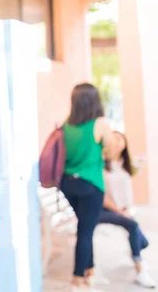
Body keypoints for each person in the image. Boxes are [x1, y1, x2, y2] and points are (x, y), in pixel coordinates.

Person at [60, 83, 118, 291]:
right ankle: (77, 277)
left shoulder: (67, 124)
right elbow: (112, 153)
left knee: (86, 227)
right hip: (90, 184)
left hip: (68, 184)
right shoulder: (100, 123)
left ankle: (89, 269)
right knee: (85, 230)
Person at [100, 131, 156, 288]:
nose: (118, 143)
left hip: (124, 209)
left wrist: (127, 208)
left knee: (143, 241)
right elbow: (103, 197)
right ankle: (140, 270)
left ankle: (136, 250)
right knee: (133, 226)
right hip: (107, 209)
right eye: (115, 139)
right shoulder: (102, 164)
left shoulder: (125, 163)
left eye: (121, 139)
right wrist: (120, 211)